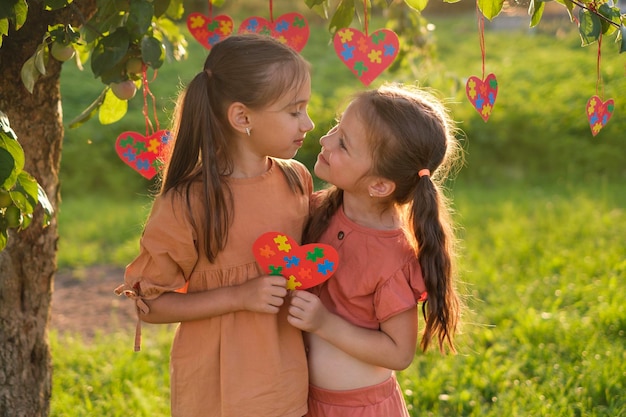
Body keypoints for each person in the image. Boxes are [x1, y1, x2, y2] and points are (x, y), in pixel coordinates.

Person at [114, 34, 315, 417]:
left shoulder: (296, 180)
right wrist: (239, 296)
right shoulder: (188, 202)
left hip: (287, 381)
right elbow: (150, 306)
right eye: (294, 111)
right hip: (218, 391)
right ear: (242, 117)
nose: (308, 122)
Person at [287, 83, 463, 417]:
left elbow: (399, 353)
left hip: (356, 408)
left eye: (343, 143)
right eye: (336, 127)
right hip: (304, 399)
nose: (325, 140)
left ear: (379, 185)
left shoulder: (392, 257)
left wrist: (324, 323)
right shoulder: (321, 209)